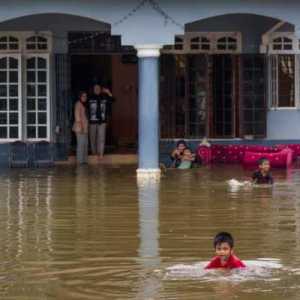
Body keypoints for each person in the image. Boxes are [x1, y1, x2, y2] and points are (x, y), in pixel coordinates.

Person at [88, 84, 114, 159]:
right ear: (93, 89)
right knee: (93, 138)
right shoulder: (90, 97)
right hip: (92, 122)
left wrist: (108, 92)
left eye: (98, 88)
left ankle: (101, 154)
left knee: (101, 138)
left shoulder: (104, 97)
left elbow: (113, 100)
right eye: (95, 88)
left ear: (101, 89)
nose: (97, 89)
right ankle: (94, 154)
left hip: (102, 121)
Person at [72, 91, 88, 164]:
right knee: (81, 145)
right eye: (83, 96)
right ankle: (80, 161)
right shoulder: (78, 104)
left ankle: (84, 161)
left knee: (85, 144)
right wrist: (81, 127)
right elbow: (77, 116)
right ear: (80, 97)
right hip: (80, 128)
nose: (85, 98)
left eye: (85, 96)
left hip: (84, 128)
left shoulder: (82, 104)